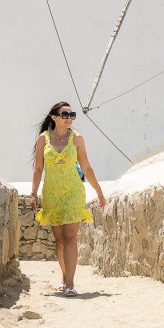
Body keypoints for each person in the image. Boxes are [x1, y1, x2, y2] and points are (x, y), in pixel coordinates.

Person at [30, 101, 106, 297]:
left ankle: (70, 283)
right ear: (54, 117)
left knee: (70, 237)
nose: (69, 118)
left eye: (72, 114)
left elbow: (86, 167)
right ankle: (64, 277)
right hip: (52, 194)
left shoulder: (77, 139)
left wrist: (98, 191)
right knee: (59, 240)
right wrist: (33, 192)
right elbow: (38, 168)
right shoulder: (43, 139)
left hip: (73, 192)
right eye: (65, 114)